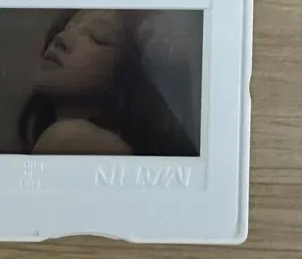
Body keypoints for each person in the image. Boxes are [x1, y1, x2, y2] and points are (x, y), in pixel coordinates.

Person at [19, 9, 199, 157]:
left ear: (129, 73)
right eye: (67, 28)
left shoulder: (68, 139)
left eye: (96, 36)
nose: (61, 38)